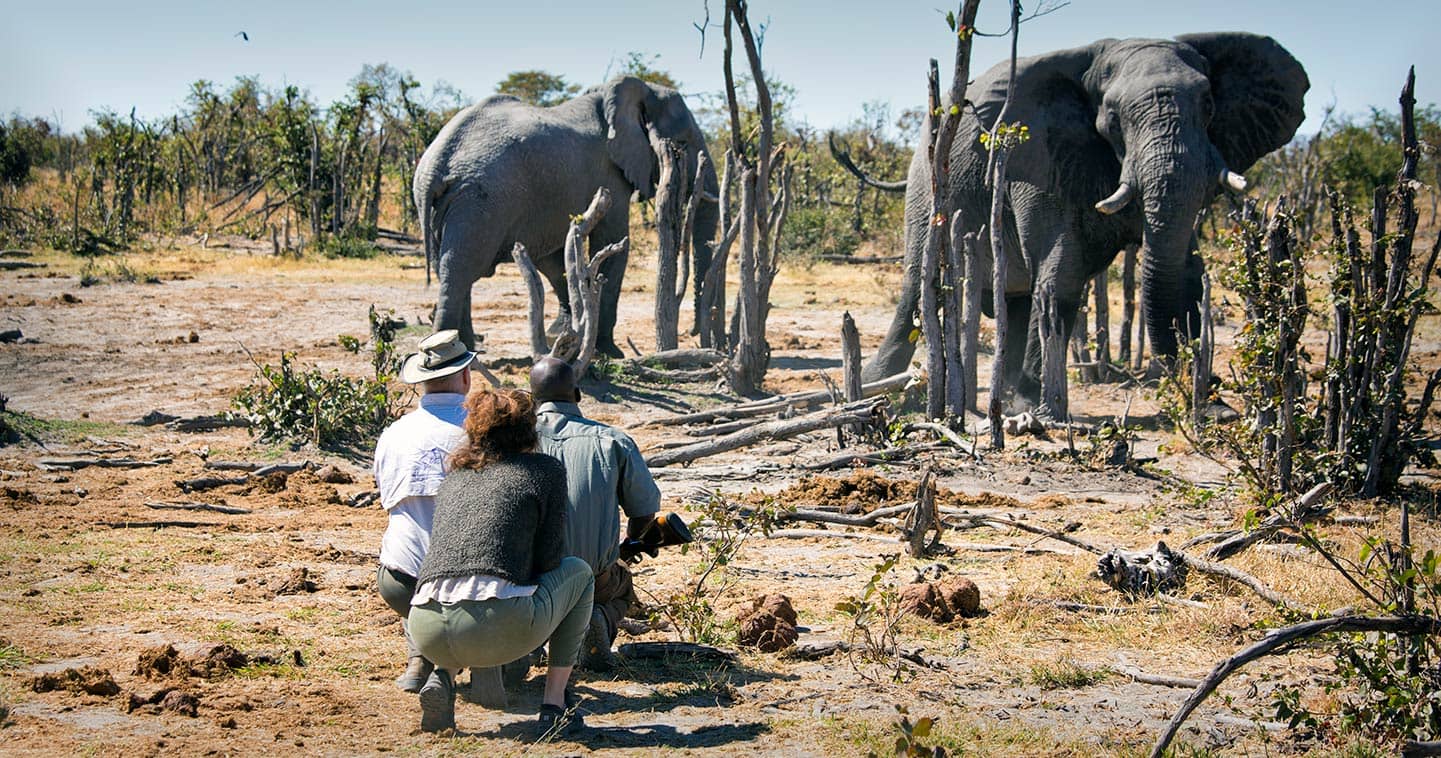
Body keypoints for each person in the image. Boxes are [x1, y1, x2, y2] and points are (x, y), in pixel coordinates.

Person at [407, 388, 595, 736]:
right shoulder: (544, 469)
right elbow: (550, 558)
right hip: (494, 626)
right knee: (580, 574)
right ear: (529, 428)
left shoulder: (456, 477)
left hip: (423, 627)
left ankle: (442, 678)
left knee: (463, 580)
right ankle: (555, 705)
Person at [529, 356, 662, 671]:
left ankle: (527, 642)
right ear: (577, 395)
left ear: (533, 399)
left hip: (527, 579)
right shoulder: (613, 440)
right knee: (622, 586)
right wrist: (628, 547)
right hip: (590, 578)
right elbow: (644, 513)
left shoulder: (515, 440)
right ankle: (597, 618)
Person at [373, 330, 475, 693]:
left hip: (400, 583)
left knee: (417, 563)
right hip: (471, 583)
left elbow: (386, 497)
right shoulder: (482, 434)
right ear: (466, 375)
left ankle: (421, 653)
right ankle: (481, 663)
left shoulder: (393, 435)